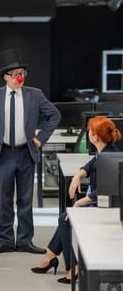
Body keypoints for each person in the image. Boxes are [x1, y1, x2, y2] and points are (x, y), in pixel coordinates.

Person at [0, 48, 61, 254]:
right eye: (15, 73)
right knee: (4, 200)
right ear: (5, 77)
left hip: (26, 153)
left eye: (22, 73)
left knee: (26, 200)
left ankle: (25, 240)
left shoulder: (35, 95)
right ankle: (6, 241)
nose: (20, 77)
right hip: (4, 154)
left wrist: (40, 138)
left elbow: (54, 115)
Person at [31, 115, 121, 282]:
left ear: (95, 137)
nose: (88, 134)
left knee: (65, 219)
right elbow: (89, 165)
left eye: (90, 131)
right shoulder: (104, 152)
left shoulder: (108, 158)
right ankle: (50, 256)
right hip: (98, 203)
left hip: (105, 207)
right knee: (66, 216)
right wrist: (77, 176)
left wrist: (81, 202)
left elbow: (105, 191)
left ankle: (75, 266)